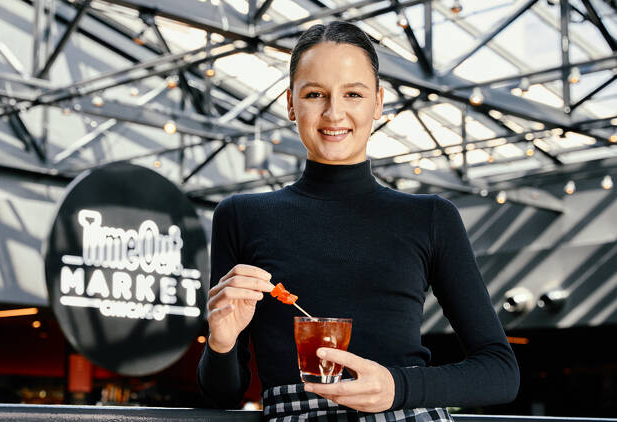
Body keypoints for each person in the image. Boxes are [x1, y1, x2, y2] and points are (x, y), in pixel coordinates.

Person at [197, 21, 519, 421]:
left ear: (378, 103)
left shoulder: (431, 217)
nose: (335, 112)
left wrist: (398, 388)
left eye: (353, 93)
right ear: (291, 103)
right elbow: (223, 394)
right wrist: (221, 341)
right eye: (315, 94)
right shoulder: (240, 216)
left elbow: (501, 372)